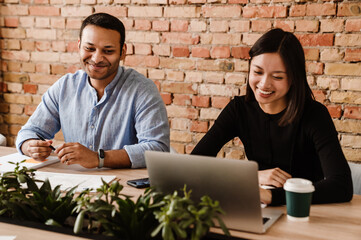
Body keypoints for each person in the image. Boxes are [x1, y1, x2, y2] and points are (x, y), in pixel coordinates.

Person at [191, 28, 353, 205]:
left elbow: (341, 186)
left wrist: (271, 197)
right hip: (257, 208)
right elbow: (195, 163)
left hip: (304, 211)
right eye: (258, 72)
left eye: (277, 77)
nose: (264, 84)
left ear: (293, 79)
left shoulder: (314, 115)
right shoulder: (239, 109)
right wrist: (254, 176)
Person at [16, 13, 170, 169]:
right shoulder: (64, 87)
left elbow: (157, 148)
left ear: (123, 51)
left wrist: (99, 158)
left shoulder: (142, 90)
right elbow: (29, 132)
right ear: (79, 46)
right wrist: (30, 146)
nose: (96, 59)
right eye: (89, 48)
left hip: (123, 186)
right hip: (75, 183)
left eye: (108, 51)